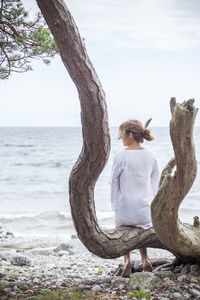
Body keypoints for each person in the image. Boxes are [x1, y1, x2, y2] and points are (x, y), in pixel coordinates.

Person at [111, 119, 160, 277]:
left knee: (123, 230)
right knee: (141, 229)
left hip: (124, 211)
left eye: (122, 136)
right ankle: (145, 259)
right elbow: (155, 182)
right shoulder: (151, 155)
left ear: (130, 135)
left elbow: (114, 182)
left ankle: (127, 261)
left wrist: (115, 204)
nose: (121, 139)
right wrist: (151, 203)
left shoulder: (120, 155)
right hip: (144, 211)